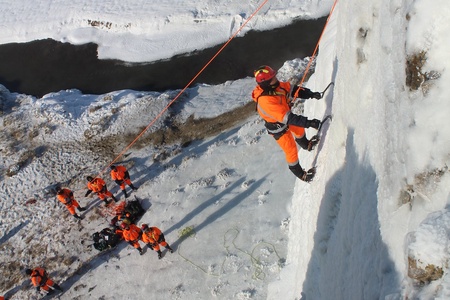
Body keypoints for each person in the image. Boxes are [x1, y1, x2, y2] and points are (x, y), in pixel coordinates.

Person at [251, 65, 322, 182]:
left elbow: (292, 90)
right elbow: (288, 118)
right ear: (267, 83)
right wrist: (309, 122)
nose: (276, 78)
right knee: (291, 149)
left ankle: (307, 145)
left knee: (299, 130)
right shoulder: (266, 101)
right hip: (278, 127)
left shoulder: (276, 87)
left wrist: (310, 94)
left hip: (285, 117)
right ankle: (302, 175)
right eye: (273, 77)